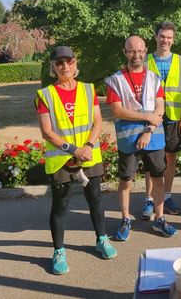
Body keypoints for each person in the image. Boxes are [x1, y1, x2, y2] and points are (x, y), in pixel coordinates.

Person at [36, 46, 117, 275]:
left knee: (96, 199)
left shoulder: (88, 90)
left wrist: (88, 147)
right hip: (62, 160)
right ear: (53, 67)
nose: (64, 67)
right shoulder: (45, 95)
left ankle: (101, 239)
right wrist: (73, 150)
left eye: (68, 61)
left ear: (75, 63)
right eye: (59, 63)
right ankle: (59, 251)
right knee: (60, 206)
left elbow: (97, 122)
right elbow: (47, 132)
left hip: (89, 156)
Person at [106, 35, 177, 240]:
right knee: (126, 180)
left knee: (158, 179)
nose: (136, 55)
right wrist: (147, 116)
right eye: (131, 51)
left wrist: (147, 130)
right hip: (128, 141)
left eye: (139, 51)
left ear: (145, 51)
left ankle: (160, 219)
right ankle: (125, 219)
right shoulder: (116, 80)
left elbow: (160, 107)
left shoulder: (154, 78)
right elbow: (118, 111)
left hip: (153, 138)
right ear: (125, 52)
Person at [141, 22, 181, 219]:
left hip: (173, 118)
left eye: (169, 37)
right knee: (151, 160)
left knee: (170, 158)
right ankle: (149, 200)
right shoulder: (145, 60)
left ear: (173, 39)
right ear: (156, 37)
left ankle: (167, 196)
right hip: (152, 117)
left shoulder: (180, 60)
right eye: (162, 36)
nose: (165, 40)